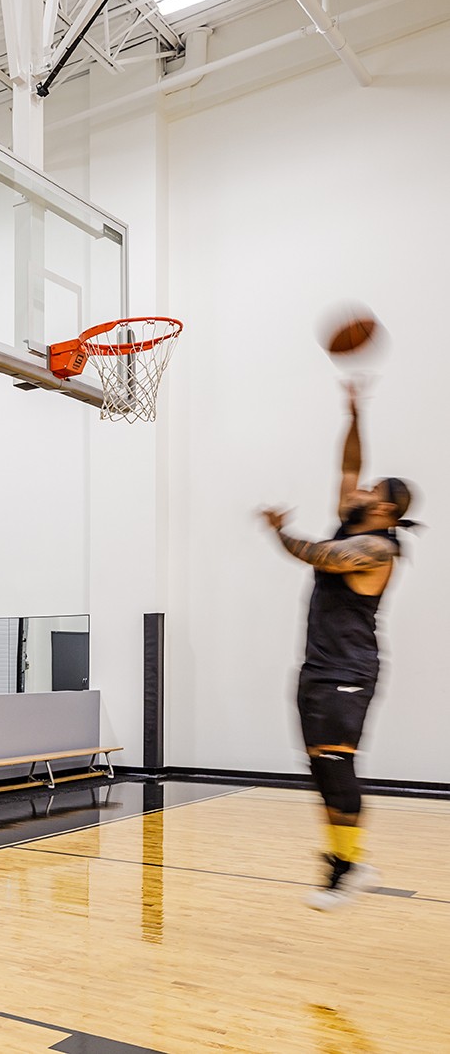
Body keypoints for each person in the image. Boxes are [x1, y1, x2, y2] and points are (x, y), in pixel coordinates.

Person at [261, 383, 418, 910]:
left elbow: (319, 557)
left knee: (334, 764)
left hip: (349, 668)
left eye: (373, 491)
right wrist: (355, 415)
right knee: (321, 768)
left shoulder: (376, 548)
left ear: (388, 508)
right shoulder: (357, 522)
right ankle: (345, 860)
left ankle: (348, 867)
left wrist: (280, 533)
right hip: (319, 666)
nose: (361, 490)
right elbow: (348, 469)